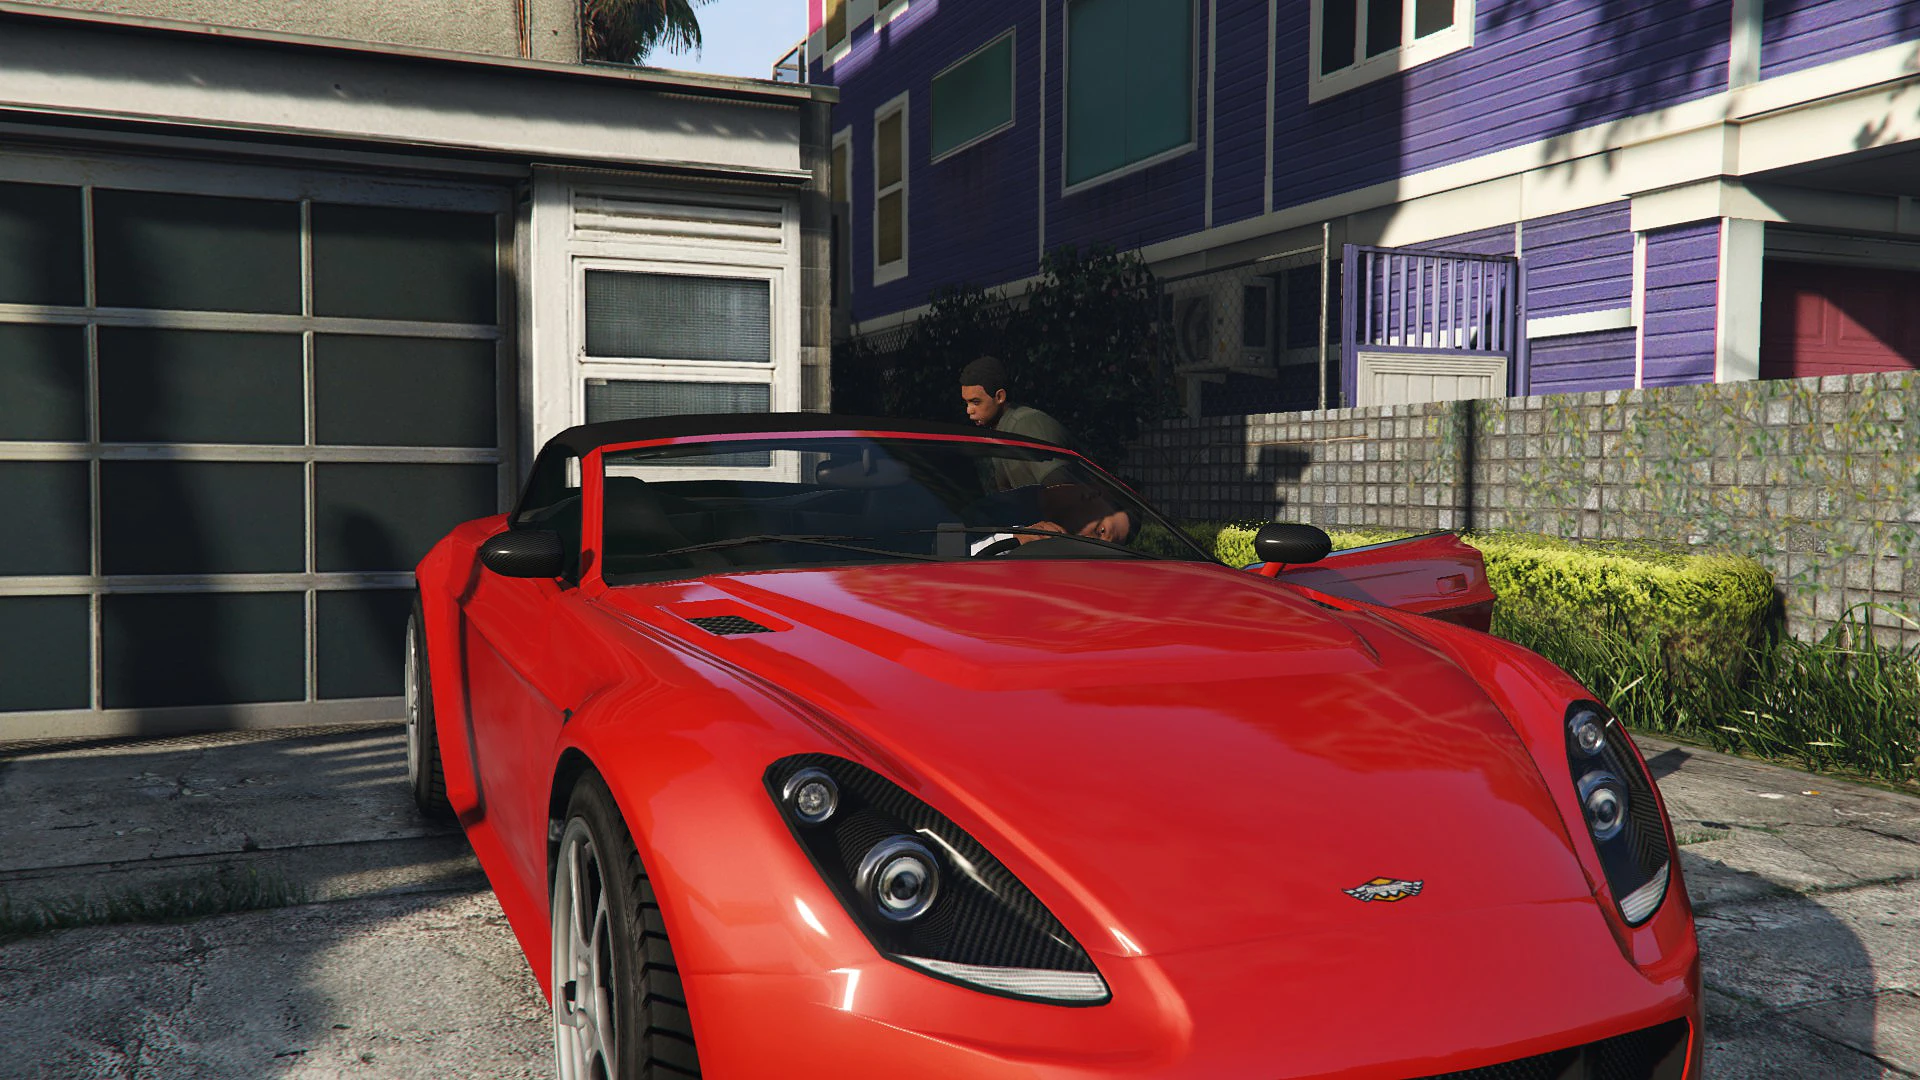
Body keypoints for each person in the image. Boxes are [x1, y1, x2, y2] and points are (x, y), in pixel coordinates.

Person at [959, 355, 1076, 491]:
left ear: (1000, 397)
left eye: (976, 402)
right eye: (966, 403)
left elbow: (1063, 490)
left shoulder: (1026, 424)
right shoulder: (1001, 433)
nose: (969, 410)